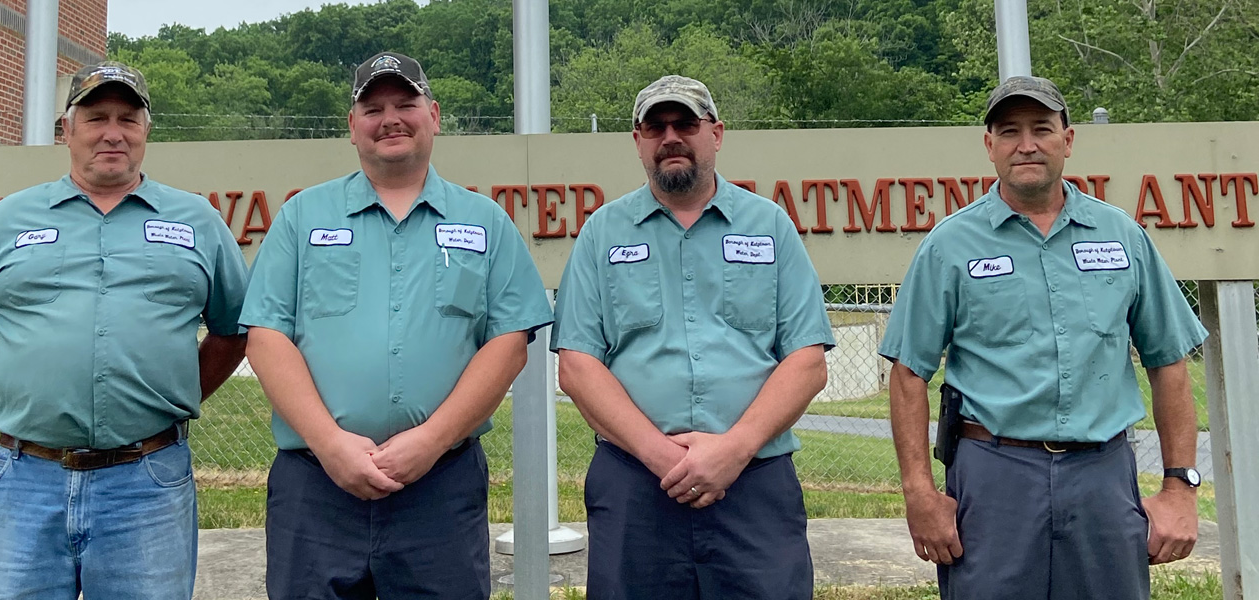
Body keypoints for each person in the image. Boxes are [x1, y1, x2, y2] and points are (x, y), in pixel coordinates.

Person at [880, 75, 1208, 599]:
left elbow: (1168, 362)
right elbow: (908, 372)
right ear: (989, 146)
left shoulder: (1122, 237)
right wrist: (919, 493)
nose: (1026, 144)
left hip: (1102, 475)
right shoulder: (949, 246)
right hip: (994, 478)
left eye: (1041, 129)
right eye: (1009, 131)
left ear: (1068, 140)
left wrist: (1179, 487)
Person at [240, 51, 552, 600]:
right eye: (373, 108)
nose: (391, 119)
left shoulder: (484, 223)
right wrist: (331, 444)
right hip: (317, 485)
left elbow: (507, 345)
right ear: (351, 127)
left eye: (405, 104)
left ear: (433, 115)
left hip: (440, 487)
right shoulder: (300, 218)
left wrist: (431, 440)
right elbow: (267, 337)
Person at [0, 60, 250, 599]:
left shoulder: (198, 222)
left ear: (147, 130)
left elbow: (233, 332)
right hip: (25, 480)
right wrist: (23, 398)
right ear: (67, 130)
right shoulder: (7, 221)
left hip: (148, 480)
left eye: (128, 118)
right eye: (96, 116)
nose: (112, 132)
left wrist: (174, 394)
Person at [551, 75, 834, 600]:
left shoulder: (769, 227)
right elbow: (577, 365)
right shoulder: (602, 234)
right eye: (655, 127)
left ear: (717, 133)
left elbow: (807, 359)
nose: (670, 137)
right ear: (638, 141)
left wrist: (734, 449)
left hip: (754, 482)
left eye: (685, 123)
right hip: (636, 484)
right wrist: (660, 455)